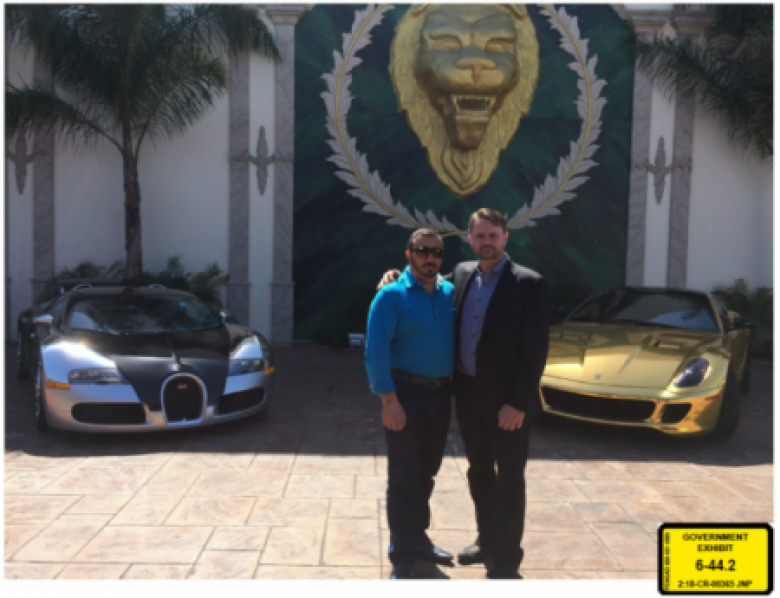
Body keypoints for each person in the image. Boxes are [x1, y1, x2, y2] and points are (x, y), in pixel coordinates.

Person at [378, 208, 550, 579]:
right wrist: (394, 275)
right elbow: (422, 280)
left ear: (505, 237)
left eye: (493, 235)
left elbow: (536, 350)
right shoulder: (460, 275)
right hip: (469, 401)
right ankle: (487, 541)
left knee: (509, 480)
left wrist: (519, 402)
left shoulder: (528, 283)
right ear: (470, 240)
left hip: (509, 407)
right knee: (480, 474)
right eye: (480, 236)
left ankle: (507, 560)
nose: (487, 242)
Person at [365, 228, 457, 579]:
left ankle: (418, 538)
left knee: (426, 472)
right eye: (422, 251)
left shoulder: (449, 292)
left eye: (436, 252)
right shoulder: (390, 296)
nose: (430, 258)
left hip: (440, 396)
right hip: (405, 395)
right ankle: (401, 555)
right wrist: (389, 400)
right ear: (408, 254)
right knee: (403, 477)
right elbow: (375, 350)